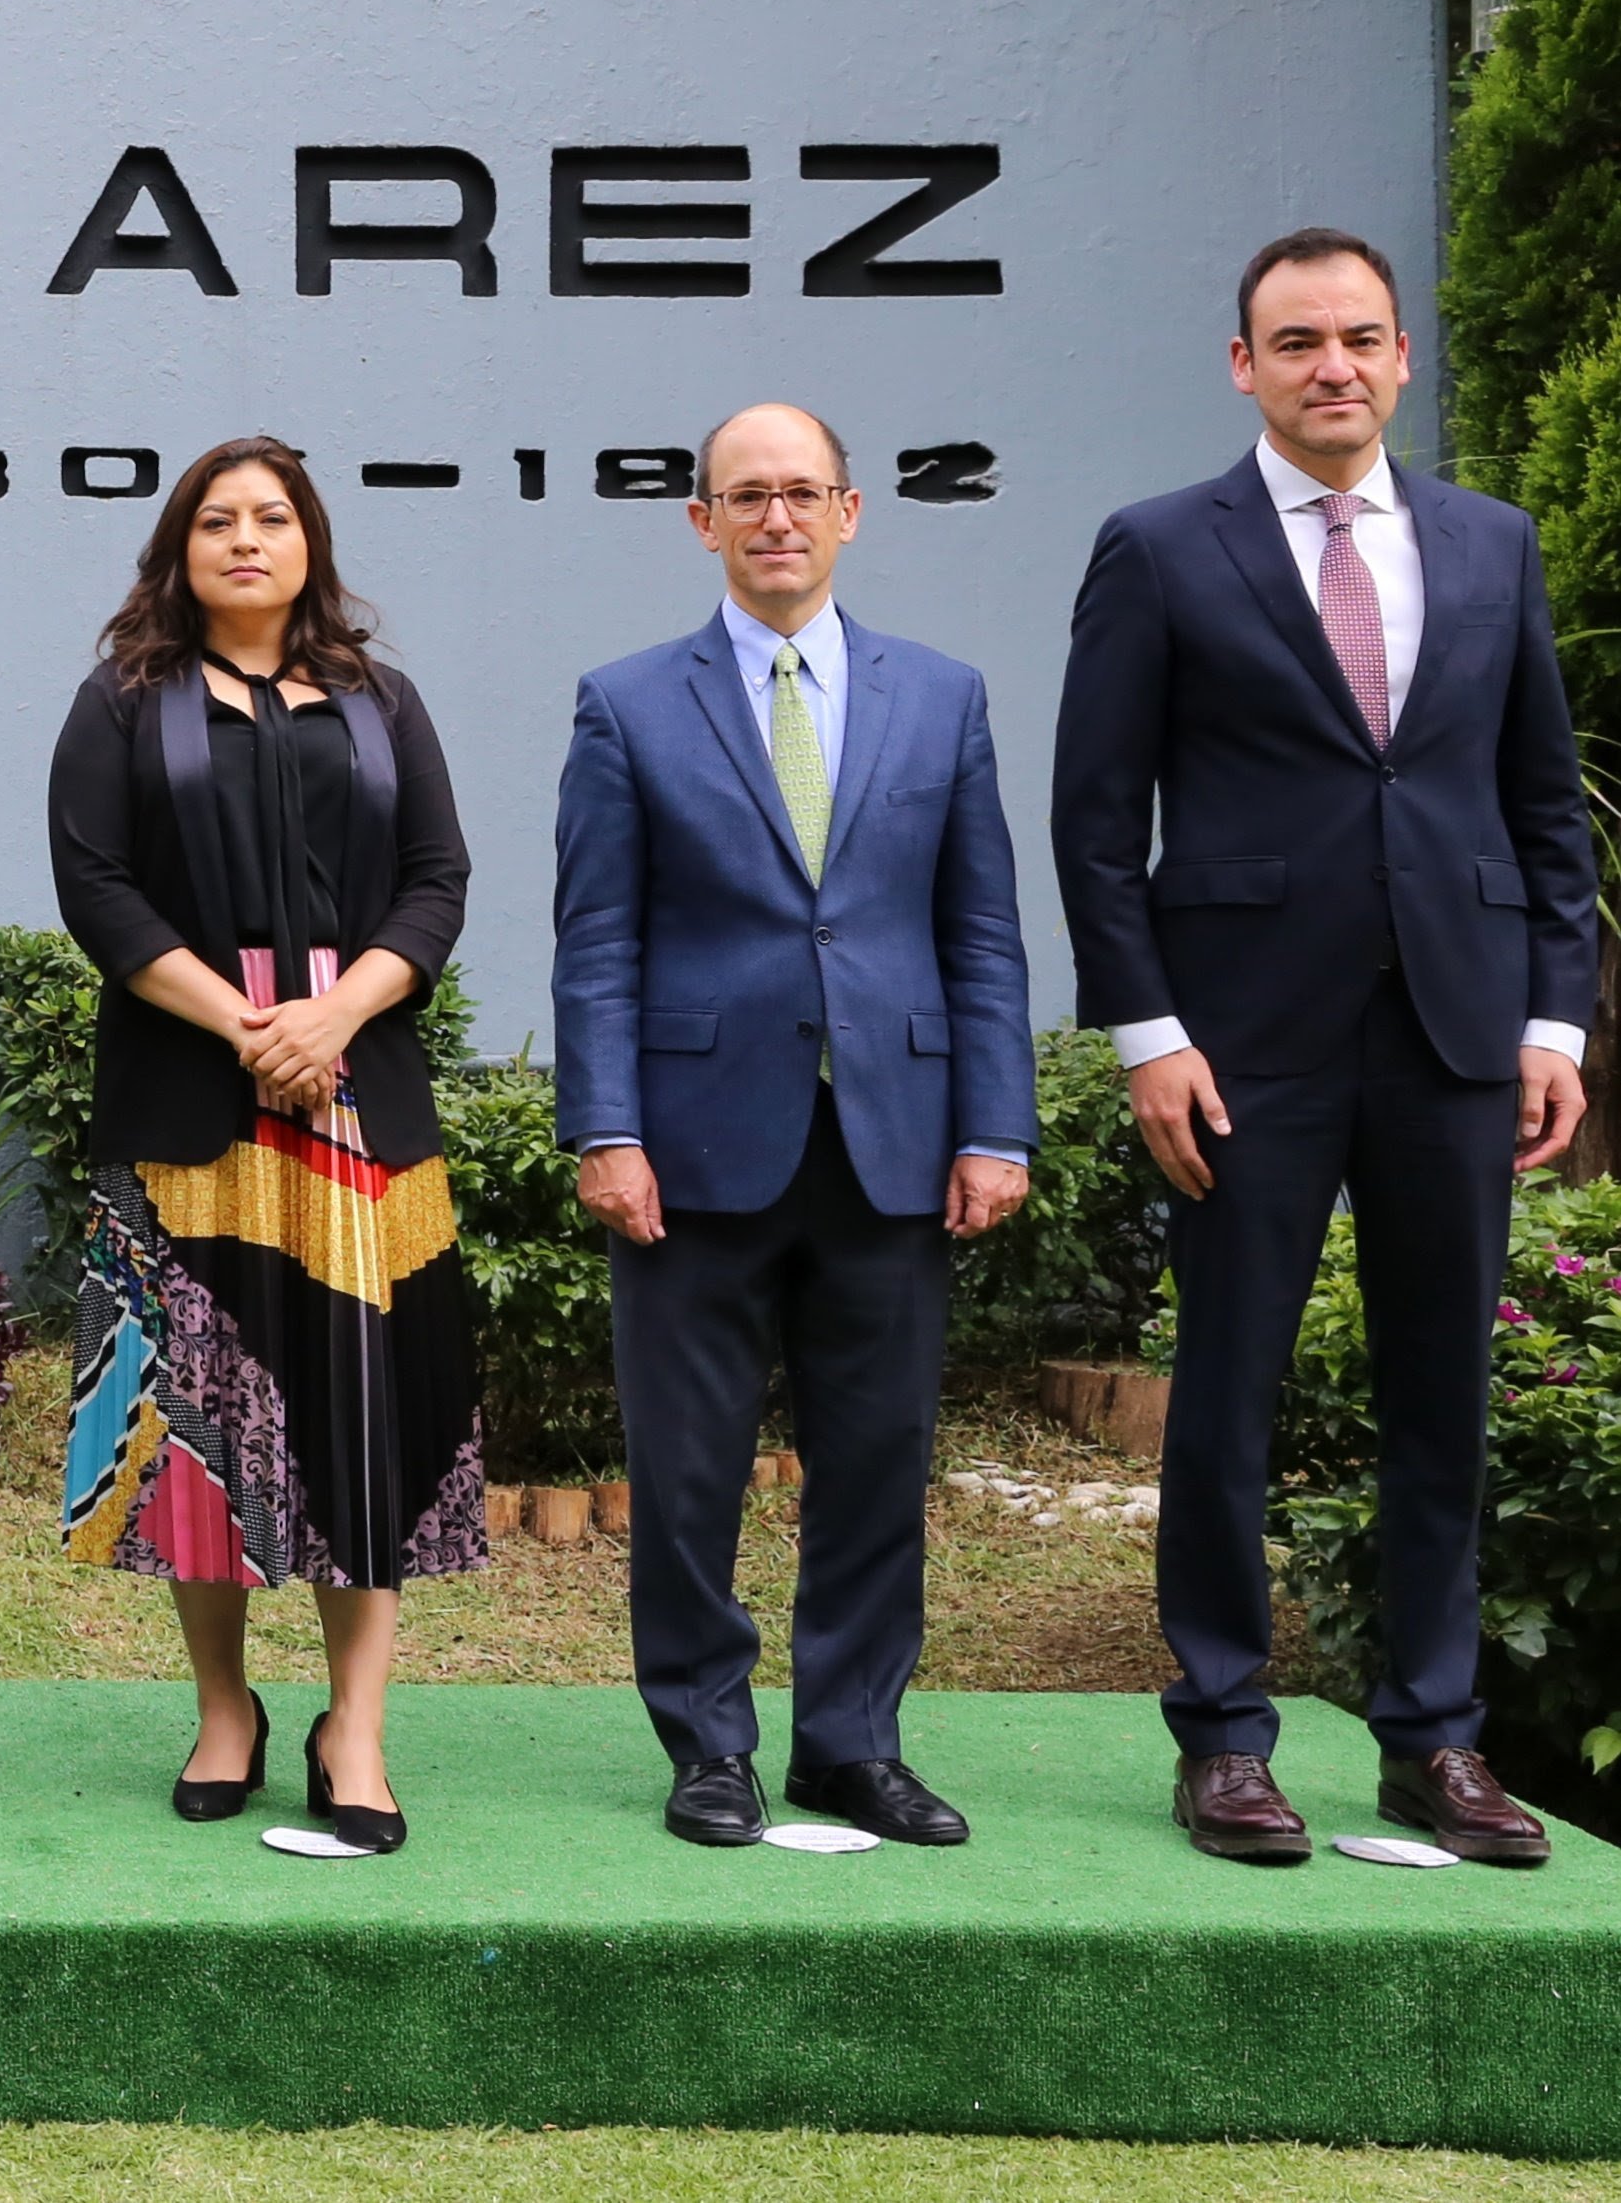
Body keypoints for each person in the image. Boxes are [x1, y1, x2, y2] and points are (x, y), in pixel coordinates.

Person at [1054, 228, 1591, 1867]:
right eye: (1294, 342)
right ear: (1242, 366)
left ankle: (1430, 1737)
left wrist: (1552, 1013)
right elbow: (1093, 824)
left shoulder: (1490, 546)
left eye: (1359, 337)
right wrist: (1147, 1035)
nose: (1331, 366)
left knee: (1445, 1396)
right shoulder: (1157, 548)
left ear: (1401, 357)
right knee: (1223, 1393)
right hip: (1240, 1046)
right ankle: (1220, 1732)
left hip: (1454, 1032)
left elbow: (1540, 803)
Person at [553, 403, 1033, 1850]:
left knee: (877, 1463)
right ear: (700, 522)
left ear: (848, 512)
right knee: (689, 1471)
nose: (774, 519)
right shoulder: (627, 700)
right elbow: (595, 940)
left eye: (800, 494)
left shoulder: (939, 697)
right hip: (691, 1148)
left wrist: (994, 1124)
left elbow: (982, 933)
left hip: (893, 1136)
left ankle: (850, 1744)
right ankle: (706, 1747)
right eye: (743, 497)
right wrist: (604, 1126)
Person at [45, 436, 475, 1854]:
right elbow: (96, 891)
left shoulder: (378, 700)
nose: (244, 540)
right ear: (178, 551)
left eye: (270, 518)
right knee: (202, 1422)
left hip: (357, 1091)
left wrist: (331, 1013)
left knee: (365, 1413)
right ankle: (223, 1703)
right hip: (190, 1091)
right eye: (215, 521)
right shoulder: (121, 707)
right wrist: (246, 1027)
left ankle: (355, 1722)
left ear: (309, 544)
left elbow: (433, 881)